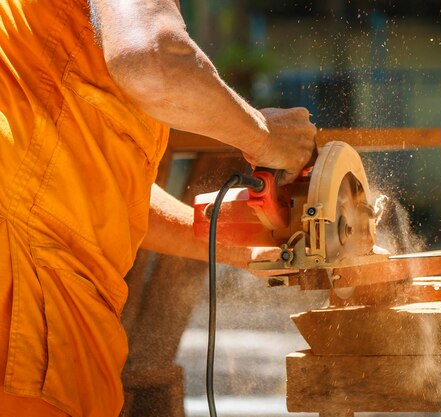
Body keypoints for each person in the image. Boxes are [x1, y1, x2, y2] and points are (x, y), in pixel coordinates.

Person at [0, 0, 317, 416]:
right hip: (27, 304)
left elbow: (94, 187)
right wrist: (262, 136)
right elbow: (154, 60)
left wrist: (244, 247)